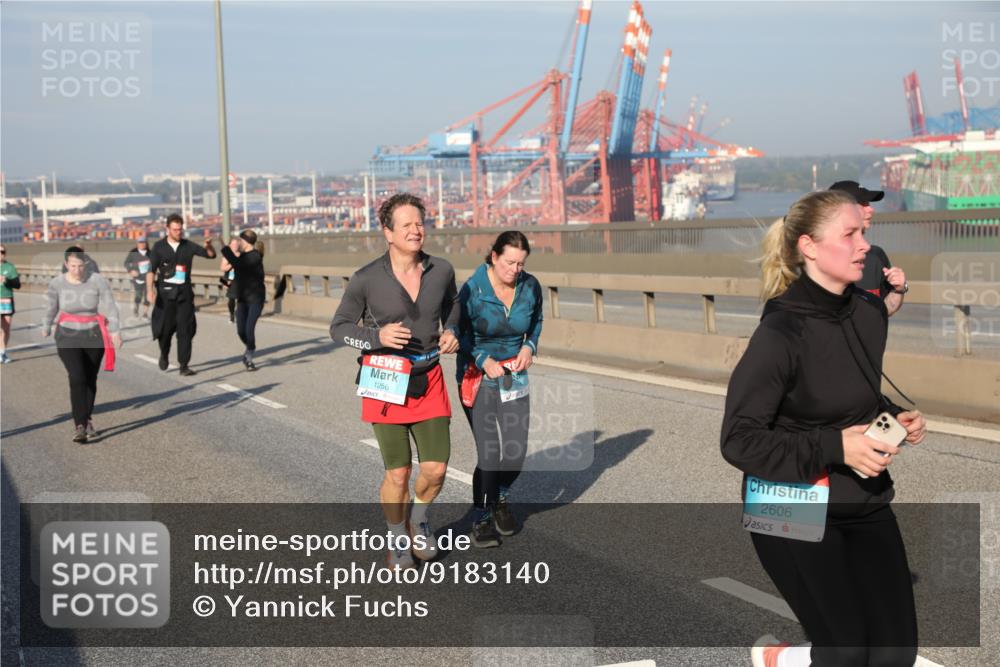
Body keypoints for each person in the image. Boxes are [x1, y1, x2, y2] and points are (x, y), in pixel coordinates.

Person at [720, 190, 927, 667]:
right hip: (789, 503)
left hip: (862, 497)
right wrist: (836, 447)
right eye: (850, 234)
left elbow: (852, 393)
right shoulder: (780, 332)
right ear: (810, 247)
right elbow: (738, 439)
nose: (864, 247)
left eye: (865, 233)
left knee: (896, 655)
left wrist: (895, 415)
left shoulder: (869, 313)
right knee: (847, 654)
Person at [330, 193, 460, 569]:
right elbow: (337, 329)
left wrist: (452, 330)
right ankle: (396, 535)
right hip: (384, 378)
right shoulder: (366, 279)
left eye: (419, 223)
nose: (415, 230)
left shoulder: (442, 270)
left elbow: (455, 306)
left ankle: (418, 520)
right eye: (406, 225)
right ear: (388, 232)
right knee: (398, 472)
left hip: (429, 374)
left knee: (435, 469)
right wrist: (376, 338)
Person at [457, 230, 543, 547]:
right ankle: (481, 517)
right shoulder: (472, 289)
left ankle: (500, 497)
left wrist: (529, 347)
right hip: (477, 375)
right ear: (494, 257)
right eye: (509, 263)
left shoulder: (531, 286)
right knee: (491, 454)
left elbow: (536, 322)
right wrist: (482, 358)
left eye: (521, 264)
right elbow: (456, 334)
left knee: (516, 452)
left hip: (514, 375)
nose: (515, 270)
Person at [42, 248, 122, 443]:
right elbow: (51, 307)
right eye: (73, 266)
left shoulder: (97, 280)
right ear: (66, 265)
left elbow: (110, 306)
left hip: (93, 334)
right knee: (77, 376)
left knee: (90, 378)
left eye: (80, 266)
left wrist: (116, 331)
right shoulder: (57, 283)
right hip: (67, 335)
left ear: (85, 264)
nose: (77, 270)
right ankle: (79, 424)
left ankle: (87, 419)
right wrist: (46, 325)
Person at [146, 213, 216, 376]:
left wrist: (208, 246)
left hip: (184, 295)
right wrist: (150, 290)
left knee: (185, 330)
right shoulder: (159, 247)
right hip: (165, 296)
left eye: (180, 230)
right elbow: (151, 270)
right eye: (175, 230)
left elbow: (210, 255)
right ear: (168, 229)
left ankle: (184, 365)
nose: (179, 232)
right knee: (165, 330)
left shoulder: (188, 246)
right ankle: (164, 353)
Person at [828, 181, 907, 316]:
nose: (871, 209)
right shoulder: (818, 259)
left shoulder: (876, 255)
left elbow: (884, 311)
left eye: (869, 204)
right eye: (863, 204)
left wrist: (899, 290)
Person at [220, 230, 266, 371]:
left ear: (245, 242)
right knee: (241, 331)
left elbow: (237, 263)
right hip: (243, 298)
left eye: (239, 240)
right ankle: (250, 347)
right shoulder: (243, 256)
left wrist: (224, 247)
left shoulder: (254, 257)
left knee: (249, 329)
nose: (238, 243)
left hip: (256, 298)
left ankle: (249, 356)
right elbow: (235, 263)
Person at [1, 244, 21, 364]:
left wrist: (7, 281)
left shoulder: (10, 267)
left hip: (7, 300)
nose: (0, 254)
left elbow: (17, 285)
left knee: (6, 329)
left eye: (2, 252)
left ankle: (2, 352)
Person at [123, 236, 153, 318]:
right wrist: (131, 270)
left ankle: (145, 313)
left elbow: (155, 264)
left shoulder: (150, 253)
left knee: (148, 296)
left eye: (144, 242)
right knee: (138, 296)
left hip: (148, 278)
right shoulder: (133, 252)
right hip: (138, 278)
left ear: (146, 243)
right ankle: (136, 308)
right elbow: (126, 263)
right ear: (137, 244)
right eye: (140, 242)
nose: (142, 244)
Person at [220, 237, 240, 324]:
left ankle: (240, 315)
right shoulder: (226, 257)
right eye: (233, 244)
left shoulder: (242, 254)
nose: (235, 246)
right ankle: (232, 314)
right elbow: (222, 268)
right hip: (229, 280)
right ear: (230, 245)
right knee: (232, 298)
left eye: (236, 244)